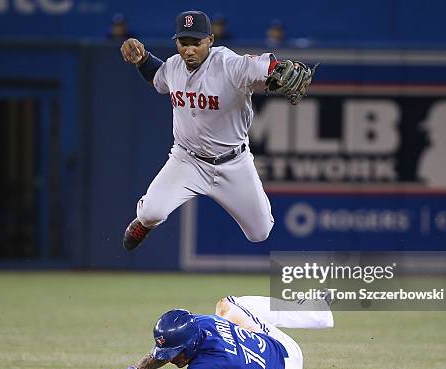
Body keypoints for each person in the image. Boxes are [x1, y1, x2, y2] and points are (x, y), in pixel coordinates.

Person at [119, 10, 314, 250]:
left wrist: (276, 69)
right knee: (150, 213)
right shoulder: (173, 66)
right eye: (183, 43)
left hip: (234, 164)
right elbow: (158, 77)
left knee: (260, 232)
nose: (189, 50)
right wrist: (141, 59)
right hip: (187, 161)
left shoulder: (228, 64)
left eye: (196, 43)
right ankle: (143, 222)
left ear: (210, 40)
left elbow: (259, 66)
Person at [82, 295, 338, 369]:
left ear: (191, 344)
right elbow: (162, 350)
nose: (170, 359)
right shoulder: (200, 323)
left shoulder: (213, 364)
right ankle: (316, 311)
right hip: (280, 345)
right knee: (229, 306)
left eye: (175, 353)